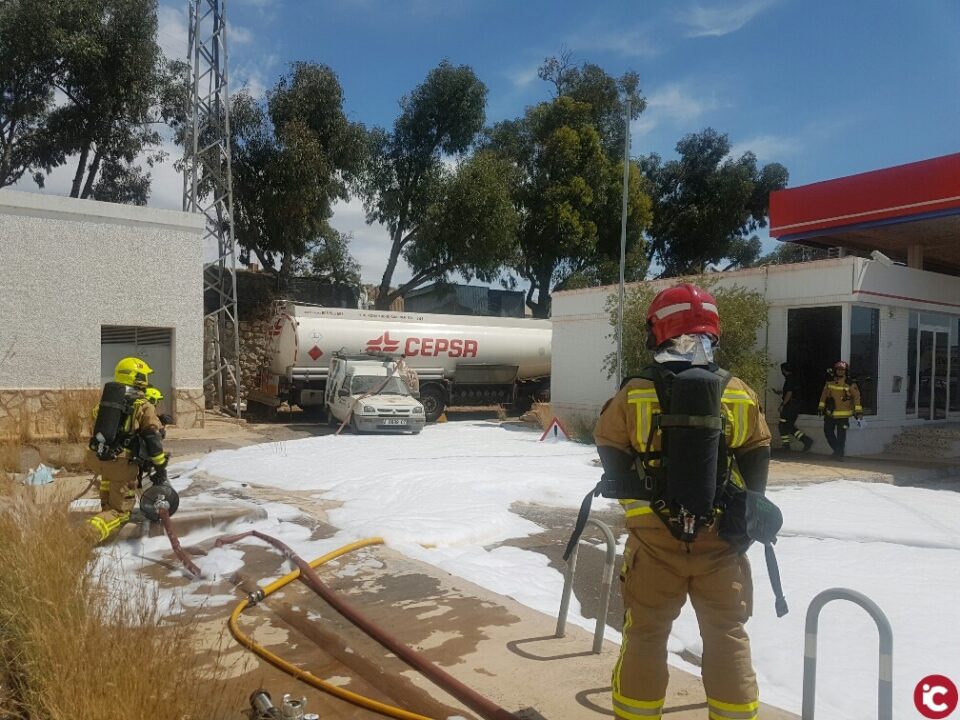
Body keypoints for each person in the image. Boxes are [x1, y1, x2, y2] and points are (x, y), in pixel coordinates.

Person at [593, 283, 771, 720]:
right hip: (721, 544)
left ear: (660, 330)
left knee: (646, 637)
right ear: (714, 331)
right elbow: (758, 452)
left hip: (653, 544)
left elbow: (609, 447)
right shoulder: (738, 392)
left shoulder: (635, 392)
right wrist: (742, 517)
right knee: (727, 635)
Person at [85, 357, 169, 543]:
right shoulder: (142, 404)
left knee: (109, 482)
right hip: (120, 462)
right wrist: (160, 464)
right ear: (138, 377)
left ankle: (104, 513)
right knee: (121, 512)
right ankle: (88, 534)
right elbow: (152, 435)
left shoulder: (105, 403)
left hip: (97, 457)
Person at [818, 360, 862, 459]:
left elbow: (857, 397)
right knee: (828, 432)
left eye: (842, 370)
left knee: (841, 436)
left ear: (846, 371)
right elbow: (824, 395)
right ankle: (838, 451)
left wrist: (858, 411)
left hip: (843, 415)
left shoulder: (850, 383)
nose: (840, 372)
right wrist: (821, 407)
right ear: (835, 370)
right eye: (838, 370)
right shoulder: (829, 381)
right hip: (830, 413)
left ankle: (839, 454)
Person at [777, 362, 813, 452]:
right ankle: (801, 441)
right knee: (787, 426)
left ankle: (804, 441)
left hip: (790, 406)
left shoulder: (790, 379)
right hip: (795, 405)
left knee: (783, 425)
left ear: (784, 370)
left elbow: (789, 393)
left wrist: (783, 404)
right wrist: (781, 393)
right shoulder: (796, 379)